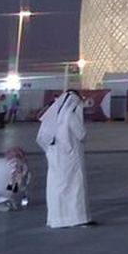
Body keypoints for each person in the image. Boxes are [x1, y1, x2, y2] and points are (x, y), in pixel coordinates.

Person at [40, 92, 90, 228]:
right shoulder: (70, 115)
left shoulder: (53, 115)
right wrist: (80, 113)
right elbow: (82, 134)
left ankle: (57, 218)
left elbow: (42, 138)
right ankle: (75, 218)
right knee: (74, 188)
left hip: (54, 156)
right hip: (70, 156)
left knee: (56, 187)